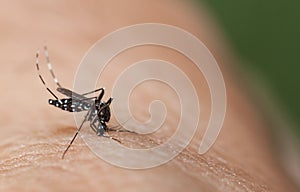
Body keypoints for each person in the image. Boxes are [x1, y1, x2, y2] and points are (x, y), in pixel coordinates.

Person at [0, 0, 298, 191]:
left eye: (102, 117)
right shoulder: (92, 108)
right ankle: (50, 78)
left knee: (100, 100)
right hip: (80, 100)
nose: (102, 116)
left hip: (86, 102)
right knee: (92, 99)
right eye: (101, 117)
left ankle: (52, 79)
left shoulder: (99, 109)